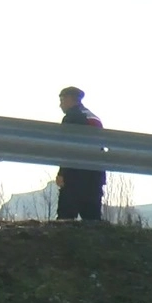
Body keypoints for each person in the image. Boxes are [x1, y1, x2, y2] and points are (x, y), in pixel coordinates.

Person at [55, 86, 107, 221]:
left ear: (69, 99)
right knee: (92, 220)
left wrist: (62, 173)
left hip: (75, 177)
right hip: (94, 176)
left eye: (62, 100)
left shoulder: (72, 117)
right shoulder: (93, 117)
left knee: (65, 220)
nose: (60, 105)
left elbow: (68, 148)